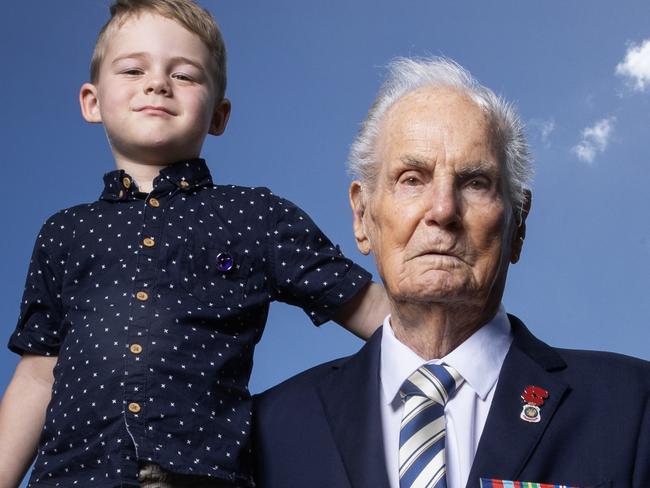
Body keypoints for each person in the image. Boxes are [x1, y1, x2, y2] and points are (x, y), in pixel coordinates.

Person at [0, 1, 389, 487]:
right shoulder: (64, 233)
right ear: (92, 101)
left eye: (184, 75)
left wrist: (468, 339)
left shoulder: (256, 217)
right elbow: (38, 376)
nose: (158, 83)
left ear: (219, 114)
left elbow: (383, 318)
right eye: (133, 69)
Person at [253, 57, 650, 488]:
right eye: (411, 179)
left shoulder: (634, 405)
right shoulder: (270, 429)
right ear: (362, 216)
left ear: (518, 223)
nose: (442, 211)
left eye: (475, 183)